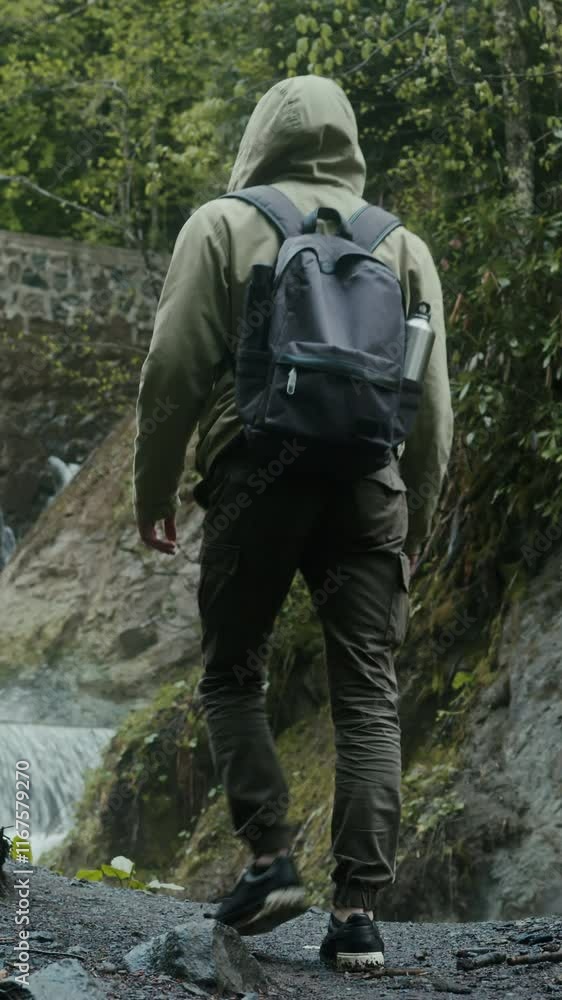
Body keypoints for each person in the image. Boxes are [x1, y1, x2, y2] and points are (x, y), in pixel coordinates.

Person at [133, 74, 453, 970]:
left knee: (234, 673)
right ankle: (357, 916)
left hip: (256, 474)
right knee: (368, 694)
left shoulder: (222, 224)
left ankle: (271, 861)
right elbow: (432, 407)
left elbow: (173, 367)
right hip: (368, 486)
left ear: (260, 137)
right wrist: (417, 518)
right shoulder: (401, 244)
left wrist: (153, 490)